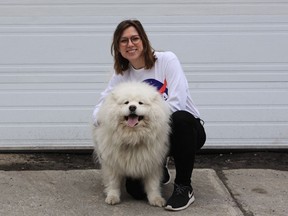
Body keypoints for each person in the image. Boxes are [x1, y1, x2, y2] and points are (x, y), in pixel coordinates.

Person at [92, 19, 206, 211]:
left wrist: (151, 118)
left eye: (135, 38)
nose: (130, 44)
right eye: (124, 41)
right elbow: (102, 105)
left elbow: (178, 101)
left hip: (183, 130)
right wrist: (104, 123)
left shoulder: (167, 60)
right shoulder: (121, 74)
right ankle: (158, 167)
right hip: (143, 134)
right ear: (118, 47)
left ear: (144, 41)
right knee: (136, 192)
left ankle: (184, 188)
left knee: (180, 119)